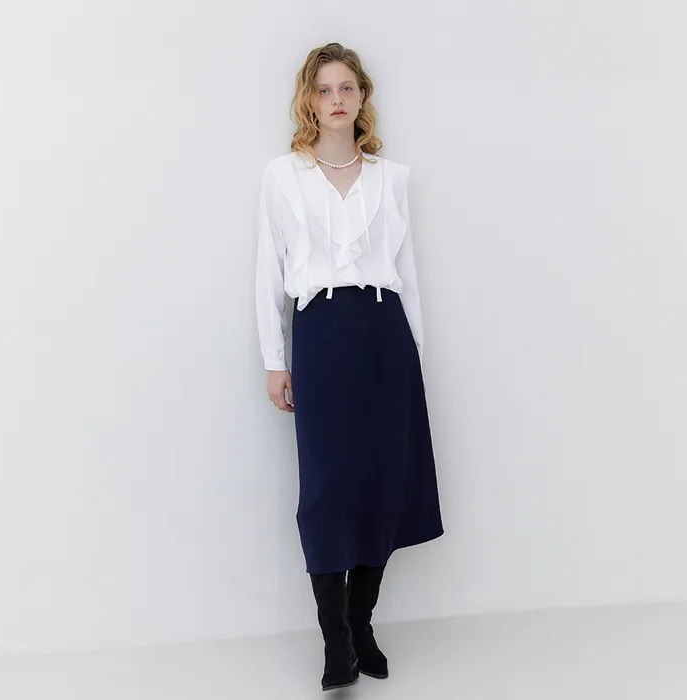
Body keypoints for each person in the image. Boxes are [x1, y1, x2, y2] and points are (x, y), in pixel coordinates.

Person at [254, 42, 444, 692]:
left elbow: (408, 275)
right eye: (324, 89)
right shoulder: (283, 176)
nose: (337, 99)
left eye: (347, 88)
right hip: (321, 332)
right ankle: (333, 637)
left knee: (381, 480)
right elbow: (269, 270)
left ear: (362, 97)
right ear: (309, 100)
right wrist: (275, 360)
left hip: (385, 335)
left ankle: (361, 624)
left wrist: (415, 358)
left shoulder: (393, 178)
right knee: (328, 487)